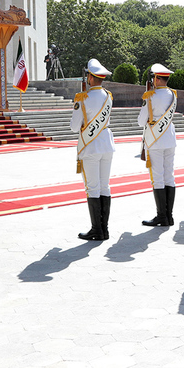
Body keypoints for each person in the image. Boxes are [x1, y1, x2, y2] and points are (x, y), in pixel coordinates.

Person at [71, 59, 115, 241]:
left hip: (91, 147)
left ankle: (96, 230)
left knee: (93, 188)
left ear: (90, 77)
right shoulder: (108, 96)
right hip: (107, 143)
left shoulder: (83, 98)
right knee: (104, 186)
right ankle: (104, 229)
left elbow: (74, 127)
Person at [139, 64, 178, 227]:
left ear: (157, 78)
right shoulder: (172, 94)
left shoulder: (151, 96)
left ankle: (161, 215)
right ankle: (169, 215)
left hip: (155, 140)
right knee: (169, 175)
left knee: (158, 178)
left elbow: (141, 121)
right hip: (169, 137)